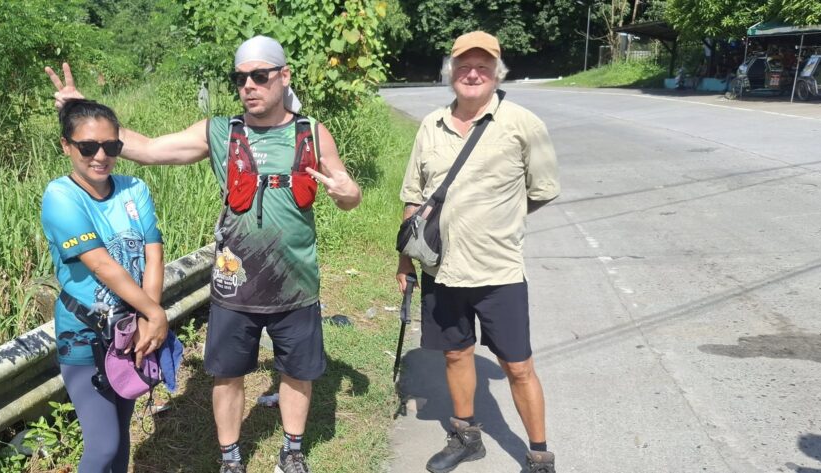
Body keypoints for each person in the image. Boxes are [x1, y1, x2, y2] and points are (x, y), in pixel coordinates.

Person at [46, 35, 362, 473]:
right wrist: (81, 109)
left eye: (259, 76)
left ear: (284, 76)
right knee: (227, 374)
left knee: (297, 372)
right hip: (234, 284)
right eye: (240, 78)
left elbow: (346, 192)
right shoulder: (219, 132)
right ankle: (230, 458)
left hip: (296, 282)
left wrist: (349, 193)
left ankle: (292, 449)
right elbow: (148, 149)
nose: (249, 85)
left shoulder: (311, 132)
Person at [396, 31, 560, 473]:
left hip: (498, 271)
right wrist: (405, 259)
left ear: (497, 73)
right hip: (441, 269)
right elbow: (414, 196)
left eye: (482, 67)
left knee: (518, 366)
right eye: (463, 66)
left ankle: (540, 456)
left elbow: (543, 189)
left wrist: (501, 217)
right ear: (450, 72)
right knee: (455, 354)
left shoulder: (523, 124)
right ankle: (466, 437)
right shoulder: (431, 125)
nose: (472, 74)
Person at [41, 99, 169, 473]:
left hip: (130, 330)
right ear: (66, 145)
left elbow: (153, 254)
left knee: (121, 434)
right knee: (103, 444)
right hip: (84, 334)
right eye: (87, 147)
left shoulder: (134, 188)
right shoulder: (61, 196)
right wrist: (154, 312)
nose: (100, 156)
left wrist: (147, 318)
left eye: (111, 146)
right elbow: (101, 264)